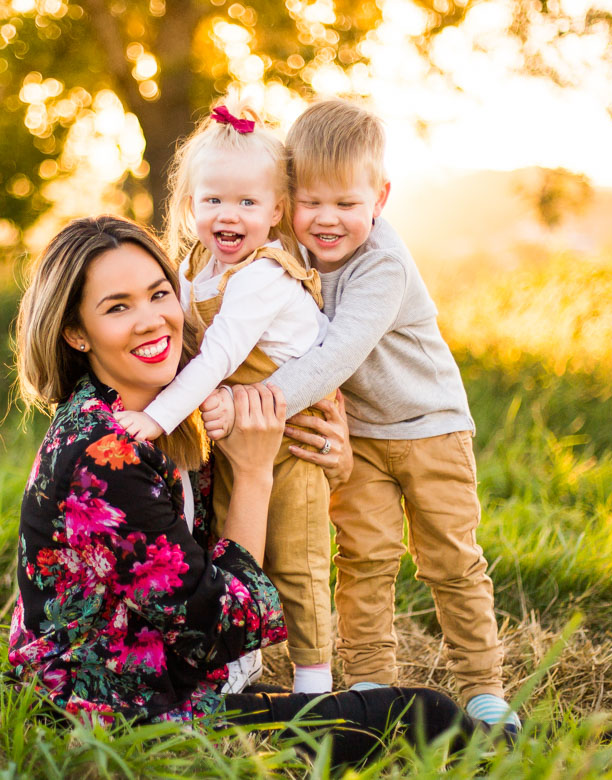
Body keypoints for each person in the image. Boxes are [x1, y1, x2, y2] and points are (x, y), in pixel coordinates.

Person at [8, 215, 481, 764]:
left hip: (159, 681)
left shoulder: (170, 411)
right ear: (76, 332)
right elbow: (219, 631)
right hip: (111, 716)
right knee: (419, 716)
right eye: (118, 307)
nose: (150, 320)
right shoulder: (105, 453)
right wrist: (256, 473)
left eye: (159, 294)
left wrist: (327, 461)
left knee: (379, 709)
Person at [204, 100, 520, 732]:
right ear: (287, 197)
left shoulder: (383, 264)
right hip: (361, 438)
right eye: (310, 202)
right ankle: (371, 682)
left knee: (451, 559)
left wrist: (243, 406)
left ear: (381, 196)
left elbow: (332, 356)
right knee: (365, 559)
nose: (327, 219)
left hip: (430, 428)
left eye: (347, 204)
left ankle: (485, 690)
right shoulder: (286, 254)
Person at [112, 100, 336, 694]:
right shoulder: (194, 267)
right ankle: (238, 660)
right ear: (190, 206)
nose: (227, 215)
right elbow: (182, 345)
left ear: (277, 211)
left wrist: (156, 419)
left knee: (297, 559)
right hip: (236, 433)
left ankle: (315, 687)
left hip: (293, 433)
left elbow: (215, 360)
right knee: (230, 544)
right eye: (213, 200)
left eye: (247, 202)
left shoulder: (262, 275)